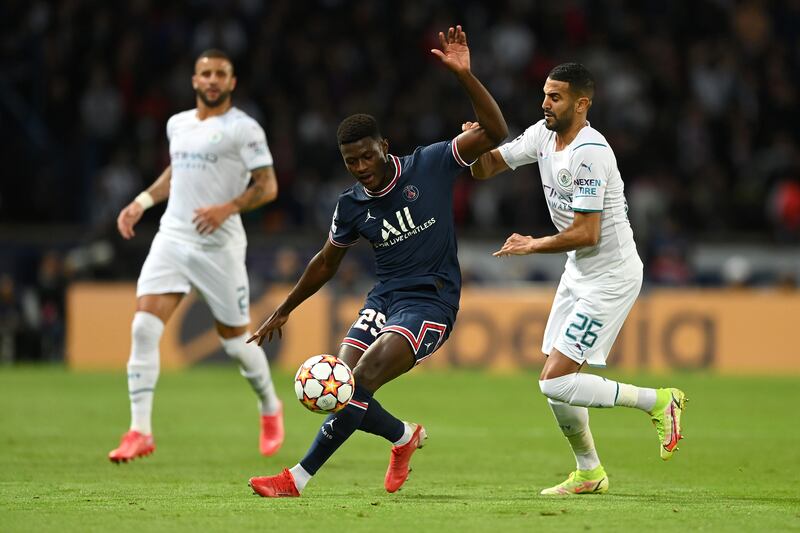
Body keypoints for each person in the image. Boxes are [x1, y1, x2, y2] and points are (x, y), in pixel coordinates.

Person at [247, 25, 508, 497]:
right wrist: (285, 307)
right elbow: (326, 262)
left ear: (384, 147)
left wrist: (466, 77)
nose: (362, 167)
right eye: (352, 162)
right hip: (385, 299)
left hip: (431, 302)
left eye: (367, 156)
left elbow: (496, 132)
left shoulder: (430, 164)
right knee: (340, 388)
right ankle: (403, 436)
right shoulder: (350, 206)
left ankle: (296, 480)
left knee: (358, 381)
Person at [469, 63, 686, 495]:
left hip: (610, 277)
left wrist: (531, 245)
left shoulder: (591, 152)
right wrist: (478, 140)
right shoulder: (543, 136)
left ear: (582, 103)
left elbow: (588, 233)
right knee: (557, 387)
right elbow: (485, 169)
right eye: (545, 94)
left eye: (555, 97)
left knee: (555, 379)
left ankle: (660, 401)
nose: (544, 103)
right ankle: (589, 472)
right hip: (579, 271)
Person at [108, 49, 284, 462]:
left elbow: (269, 185)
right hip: (172, 238)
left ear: (232, 82)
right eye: (205, 73)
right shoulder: (178, 124)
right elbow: (177, 171)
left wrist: (227, 208)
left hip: (219, 247)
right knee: (142, 329)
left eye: (220, 74)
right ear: (194, 80)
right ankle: (140, 431)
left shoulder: (245, 129)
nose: (212, 80)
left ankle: (270, 406)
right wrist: (142, 201)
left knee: (237, 344)